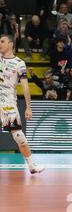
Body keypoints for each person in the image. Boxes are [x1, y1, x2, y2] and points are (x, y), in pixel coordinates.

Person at [0, 33, 45, 174]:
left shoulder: (19, 63)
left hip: (7, 103)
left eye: (2, 41)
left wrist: (29, 107)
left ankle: (31, 166)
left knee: (18, 135)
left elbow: (25, 87)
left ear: (11, 43)